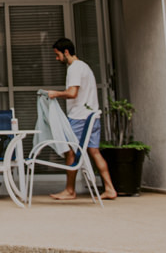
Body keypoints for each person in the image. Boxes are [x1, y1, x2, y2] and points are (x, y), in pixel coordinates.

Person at [45, 37, 117, 201]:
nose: (57, 59)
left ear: (66, 52)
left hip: (79, 117)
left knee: (70, 152)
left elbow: (72, 93)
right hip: (92, 116)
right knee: (94, 152)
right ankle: (110, 189)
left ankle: (70, 191)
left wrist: (55, 93)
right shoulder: (85, 67)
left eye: (58, 55)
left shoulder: (75, 68)